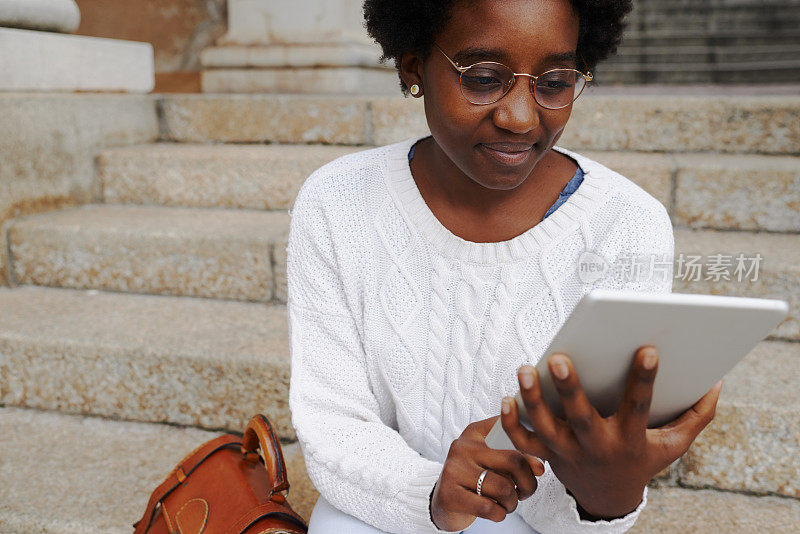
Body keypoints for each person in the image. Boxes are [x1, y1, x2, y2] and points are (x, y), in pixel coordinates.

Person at [286, 1, 722, 532]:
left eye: (556, 82)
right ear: (414, 67)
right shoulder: (338, 202)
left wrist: (609, 494)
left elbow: (600, 476)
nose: (519, 117)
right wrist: (429, 492)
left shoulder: (625, 224)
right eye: (485, 78)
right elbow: (334, 422)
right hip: (383, 511)